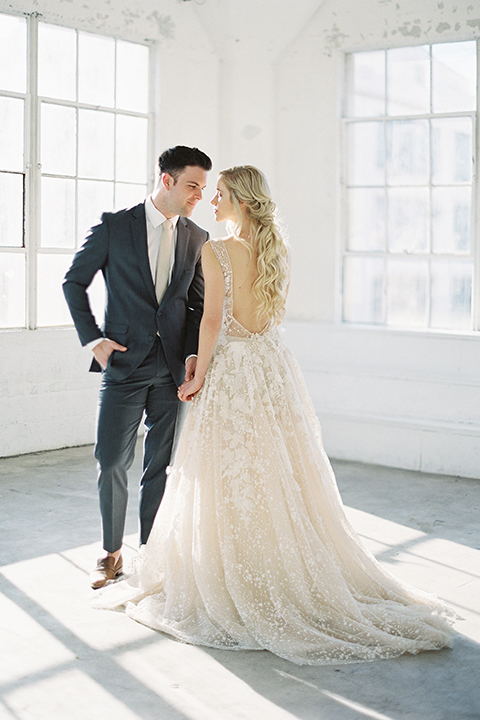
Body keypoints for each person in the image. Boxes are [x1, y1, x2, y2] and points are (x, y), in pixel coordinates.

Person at [92, 165, 455, 665]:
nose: (212, 203)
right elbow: (267, 314)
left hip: (235, 370)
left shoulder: (216, 249)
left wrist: (197, 371)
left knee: (225, 471)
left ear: (241, 201)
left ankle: (234, 567)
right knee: (277, 469)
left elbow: (215, 318)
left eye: (219, 195)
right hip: (272, 367)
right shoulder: (276, 249)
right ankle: (275, 559)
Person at [63, 145, 212, 589]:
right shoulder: (114, 227)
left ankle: (153, 552)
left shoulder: (197, 237)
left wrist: (191, 358)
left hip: (171, 371)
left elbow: (197, 305)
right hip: (124, 366)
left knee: (160, 466)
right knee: (111, 460)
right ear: (166, 180)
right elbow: (74, 282)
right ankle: (111, 553)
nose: (198, 196)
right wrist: (94, 339)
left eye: (204, 188)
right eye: (192, 186)